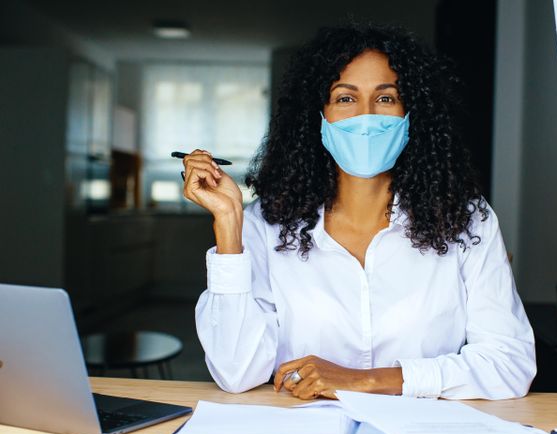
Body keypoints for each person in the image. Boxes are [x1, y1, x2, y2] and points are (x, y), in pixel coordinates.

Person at [182, 23, 536, 401]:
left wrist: (362, 380)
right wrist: (229, 225)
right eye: (345, 99)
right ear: (317, 116)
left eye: (386, 99)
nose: (366, 118)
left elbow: (509, 363)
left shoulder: (465, 219)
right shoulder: (266, 224)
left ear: (411, 113)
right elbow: (236, 372)